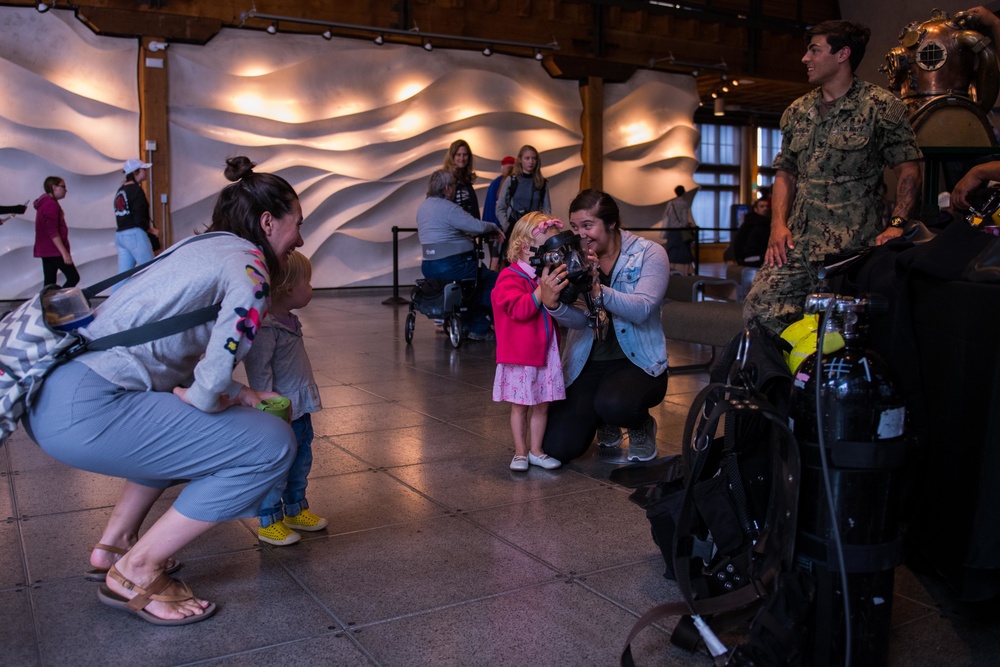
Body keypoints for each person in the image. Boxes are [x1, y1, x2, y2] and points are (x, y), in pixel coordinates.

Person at [22, 156, 304, 625]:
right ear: (268, 222)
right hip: (89, 411)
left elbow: (158, 351)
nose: (300, 238)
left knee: (178, 429)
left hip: (54, 395)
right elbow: (232, 335)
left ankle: (116, 543)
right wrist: (211, 396)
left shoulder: (193, 248)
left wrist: (234, 393)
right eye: (298, 224)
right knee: (272, 445)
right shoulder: (250, 261)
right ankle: (137, 570)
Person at [743, 19, 922, 334]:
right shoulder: (797, 112)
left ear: (843, 54)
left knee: (838, 335)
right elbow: (786, 172)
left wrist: (896, 226)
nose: (805, 58)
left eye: (814, 50)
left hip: (851, 250)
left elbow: (908, 169)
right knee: (760, 311)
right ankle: (782, 383)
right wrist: (777, 225)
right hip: (795, 243)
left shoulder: (881, 107)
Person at [540, 189, 669, 464]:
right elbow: (580, 320)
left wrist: (598, 290)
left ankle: (639, 426)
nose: (581, 234)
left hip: (638, 361)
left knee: (615, 404)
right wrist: (555, 306)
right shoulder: (573, 257)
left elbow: (642, 309)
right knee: (557, 447)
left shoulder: (649, 253)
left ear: (611, 223)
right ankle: (601, 419)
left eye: (588, 225)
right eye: (575, 227)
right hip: (588, 361)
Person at [245, 251, 326, 546]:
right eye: (309, 282)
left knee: (301, 463)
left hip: (300, 410)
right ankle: (269, 520)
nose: (312, 288)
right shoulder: (266, 328)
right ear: (289, 289)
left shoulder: (289, 320)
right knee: (276, 470)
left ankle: (294, 510)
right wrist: (269, 412)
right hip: (282, 414)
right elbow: (259, 373)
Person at [492, 211, 565, 472]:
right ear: (525, 247)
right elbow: (520, 309)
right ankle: (520, 451)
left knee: (542, 405)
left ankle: (536, 450)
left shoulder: (537, 278)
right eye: (546, 248)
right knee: (520, 407)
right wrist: (541, 290)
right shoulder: (510, 277)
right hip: (522, 356)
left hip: (545, 352)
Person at [417, 169, 505, 341]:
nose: (455, 189)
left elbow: (447, 232)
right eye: (454, 186)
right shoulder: (448, 208)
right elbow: (476, 226)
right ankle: (479, 328)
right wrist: (493, 227)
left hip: (429, 266)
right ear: (447, 188)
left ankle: (465, 325)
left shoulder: (424, 207)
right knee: (486, 282)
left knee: (468, 286)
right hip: (453, 265)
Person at [114, 158, 158, 279]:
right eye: (144, 169)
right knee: (150, 272)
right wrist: (150, 229)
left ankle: (115, 298)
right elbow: (139, 218)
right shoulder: (136, 190)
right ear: (136, 171)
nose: (146, 172)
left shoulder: (120, 190)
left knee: (122, 277)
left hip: (120, 235)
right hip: (134, 235)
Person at [33, 176, 79, 288]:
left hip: (46, 250)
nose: (66, 190)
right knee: (73, 277)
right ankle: (58, 302)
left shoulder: (45, 203)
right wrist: (64, 253)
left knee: (49, 282)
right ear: (54, 187)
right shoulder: (50, 205)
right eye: (63, 186)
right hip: (54, 249)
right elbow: (53, 231)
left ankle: (47, 304)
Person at [496, 145, 551, 238]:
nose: (531, 161)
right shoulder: (512, 180)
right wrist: (507, 226)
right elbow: (500, 207)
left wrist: (543, 227)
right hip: (515, 228)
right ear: (520, 160)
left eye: (534, 158)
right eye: (527, 158)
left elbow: (547, 210)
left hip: (535, 229)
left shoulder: (541, 182)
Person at [482, 155, 516, 270]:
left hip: (498, 228)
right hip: (500, 229)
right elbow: (493, 208)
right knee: (498, 259)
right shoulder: (500, 184)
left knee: (499, 259)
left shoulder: (498, 183)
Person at [660, 185, 697, 275]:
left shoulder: (671, 203)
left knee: (671, 252)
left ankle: (671, 273)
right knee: (685, 253)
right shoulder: (684, 203)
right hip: (681, 232)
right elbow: (684, 220)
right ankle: (685, 274)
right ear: (683, 192)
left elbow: (666, 215)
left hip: (672, 231)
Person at [443, 139, 480, 219]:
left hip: (470, 228)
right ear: (452, 156)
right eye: (458, 155)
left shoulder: (465, 179)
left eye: (465, 154)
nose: (462, 158)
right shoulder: (446, 178)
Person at [732, 198, 772, 267]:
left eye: (767, 206)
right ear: (755, 209)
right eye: (762, 206)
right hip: (755, 258)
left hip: (744, 259)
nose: (765, 208)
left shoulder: (748, 221)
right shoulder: (762, 224)